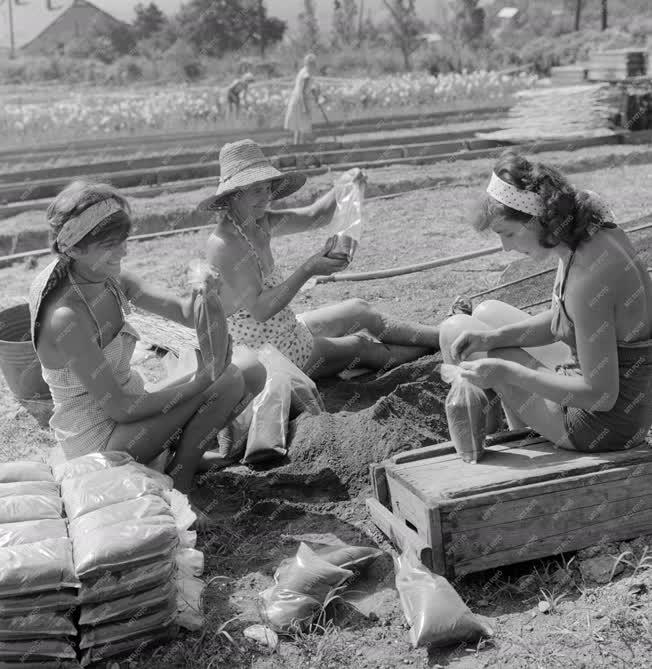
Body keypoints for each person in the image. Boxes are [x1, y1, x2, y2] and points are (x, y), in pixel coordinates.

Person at [29, 180, 266, 502]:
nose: (123, 251)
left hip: (132, 412)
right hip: (100, 442)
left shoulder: (108, 279)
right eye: (110, 245)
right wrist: (200, 383)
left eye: (123, 241)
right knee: (225, 379)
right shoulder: (66, 317)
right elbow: (121, 409)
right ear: (74, 248)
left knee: (251, 369)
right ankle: (181, 481)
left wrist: (202, 289)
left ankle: (180, 459)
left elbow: (184, 312)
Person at [439, 150, 652, 452]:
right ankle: (523, 431)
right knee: (487, 315)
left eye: (508, 234)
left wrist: (507, 372)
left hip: (602, 425)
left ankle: (480, 447)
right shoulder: (590, 237)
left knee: (453, 330)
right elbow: (562, 317)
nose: (505, 248)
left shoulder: (589, 277)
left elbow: (600, 395)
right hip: (626, 400)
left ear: (539, 219)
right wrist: (494, 337)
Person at [198, 139, 441, 380]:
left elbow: (316, 215)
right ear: (233, 196)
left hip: (286, 328)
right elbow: (261, 310)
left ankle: (440, 335)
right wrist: (309, 268)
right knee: (360, 347)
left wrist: (345, 186)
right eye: (256, 190)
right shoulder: (224, 245)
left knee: (360, 310)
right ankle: (441, 345)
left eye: (267, 187)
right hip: (267, 355)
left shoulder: (259, 221)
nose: (266, 197)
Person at [284, 53, 319, 145]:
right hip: (301, 102)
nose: (314, 66)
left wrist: (313, 91)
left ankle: (298, 146)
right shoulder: (306, 75)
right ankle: (303, 146)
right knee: (303, 126)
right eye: (313, 64)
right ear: (310, 64)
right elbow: (303, 92)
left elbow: (305, 88)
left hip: (298, 100)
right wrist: (305, 107)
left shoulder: (303, 71)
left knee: (299, 127)